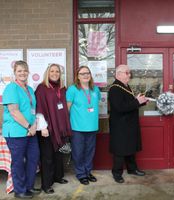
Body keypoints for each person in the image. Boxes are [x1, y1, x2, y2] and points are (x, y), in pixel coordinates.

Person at [2, 60, 40, 198]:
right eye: (19, 71)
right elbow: (14, 111)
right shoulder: (11, 88)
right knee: (18, 161)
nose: (22, 73)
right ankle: (20, 190)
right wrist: (29, 126)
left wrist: (34, 125)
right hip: (16, 132)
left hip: (30, 131)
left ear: (28, 72)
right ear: (15, 73)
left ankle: (29, 186)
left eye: (25, 70)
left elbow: (32, 110)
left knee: (33, 158)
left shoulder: (29, 89)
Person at [35, 64, 72, 194]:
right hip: (47, 128)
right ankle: (46, 184)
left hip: (60, 128)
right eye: (52, 71)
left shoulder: (62, 88)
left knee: (58, 154)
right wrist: (43, 127)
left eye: (57, 71)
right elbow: (39, 108)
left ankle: (57, 177)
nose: (55, 73)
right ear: (47, 73)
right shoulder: (41, 88)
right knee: (47, 157)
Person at [108, 64, 148, 183]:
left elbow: (129, 103)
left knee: (130, 148)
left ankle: (132, 169)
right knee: (120, 150)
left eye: (129, 73)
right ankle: (117, 173)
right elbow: (120, 107)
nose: (129, 75)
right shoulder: (115, 88)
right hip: (120, 125)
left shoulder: (125, 86)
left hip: (128, 124)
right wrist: (137, 101)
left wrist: (141, 102)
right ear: (118, 74)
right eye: (127, 73)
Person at [66, 66, 101, 185]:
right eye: (82, 74)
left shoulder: (95, 89)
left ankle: (88, 171)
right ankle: (81, 174)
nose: (85, 75)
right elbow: (68, 108)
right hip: (77, 127)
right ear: (78, 76)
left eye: (87, 73)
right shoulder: (72, 90)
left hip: (92, 126)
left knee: (90, 151)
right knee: (78, 151)